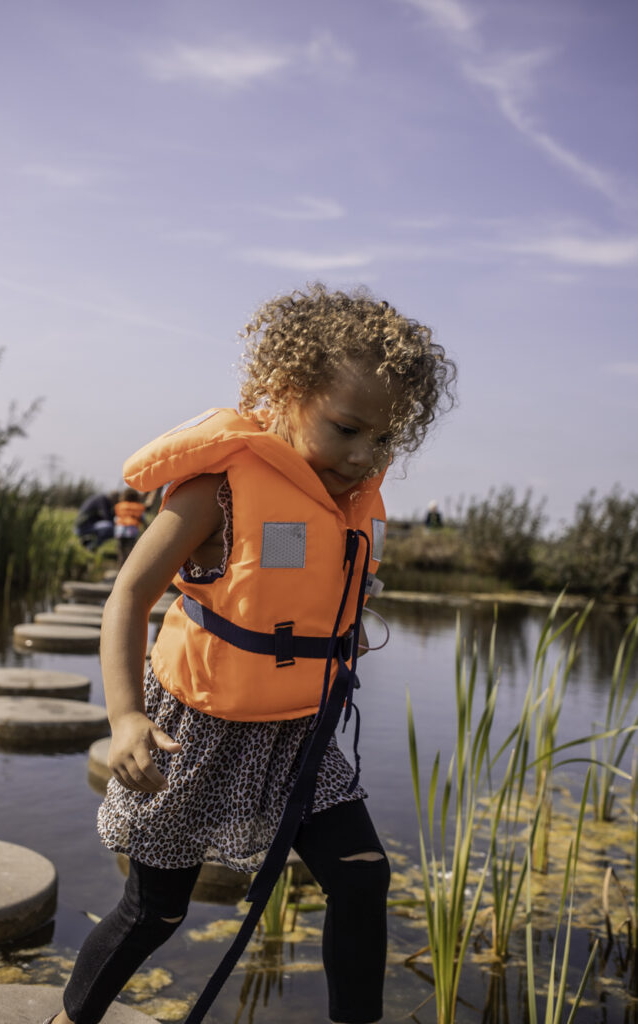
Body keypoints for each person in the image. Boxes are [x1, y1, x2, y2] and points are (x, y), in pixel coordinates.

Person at [42, 283, 455, 1024]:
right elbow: (129, 598)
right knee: (156, 911)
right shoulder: (217, 489)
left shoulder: (344, 504)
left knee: (362, 880)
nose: (365, 458)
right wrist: (126, 720)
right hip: (194, 729)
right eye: (347, 429)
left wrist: (339, 624)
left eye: (385, 441)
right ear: (287, 391)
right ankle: (69, 1020)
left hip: (299, 730)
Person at [113, 487, 147, 567]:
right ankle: (128, 569)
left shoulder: (119, 506)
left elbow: (116, 518)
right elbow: (142, 519)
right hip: (132, 530)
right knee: (130, 552)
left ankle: (120, 568)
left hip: (120, 530)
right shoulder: (139, 507)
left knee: (121, 551)